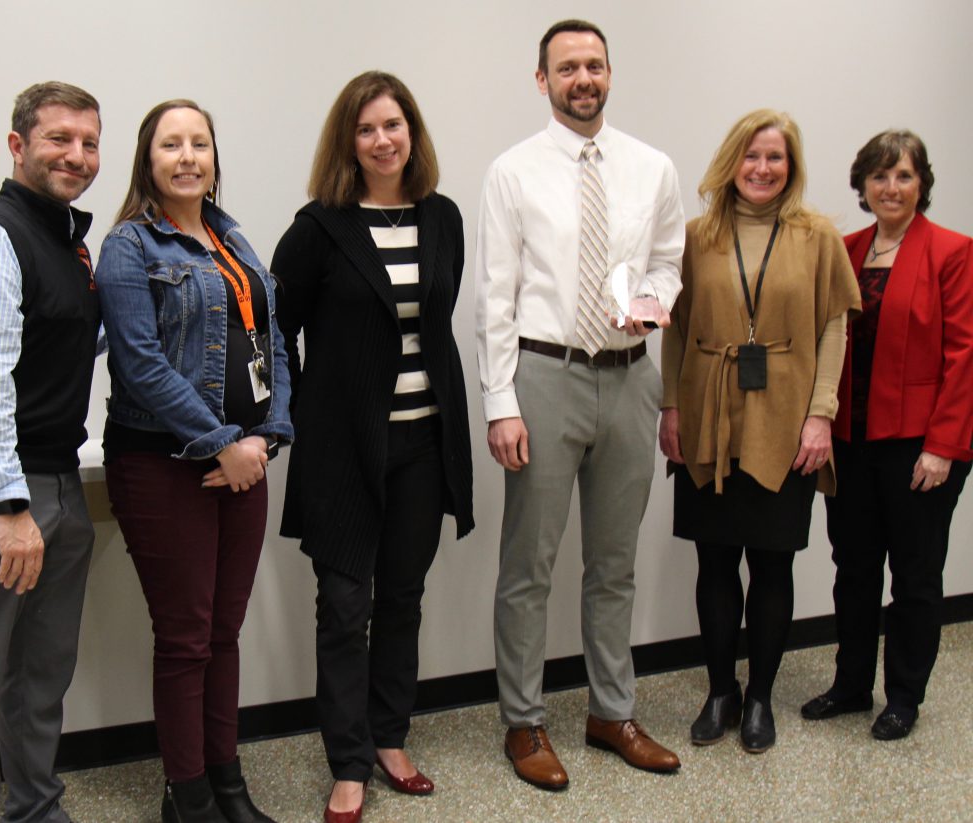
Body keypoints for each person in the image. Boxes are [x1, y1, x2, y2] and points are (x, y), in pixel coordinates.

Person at [475, 19, 684, 790]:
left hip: (632, 375)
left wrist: (653, 302)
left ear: (609, 73)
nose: (583, 78)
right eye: (568, 68)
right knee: (529, 563)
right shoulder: (513, 172)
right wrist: (501, 402)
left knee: (615, 563)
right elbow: (496, 295)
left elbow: (667, 261)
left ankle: (610, 710)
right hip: (544, 376)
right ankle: (524, 721)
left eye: (594, 65)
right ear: (543, 81)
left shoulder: (651, 167)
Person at [270, 71, 473, 823]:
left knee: (403, 598)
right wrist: (300, 405)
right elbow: (273, 326)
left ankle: (390, 738)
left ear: (411, 132)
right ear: (348, 143)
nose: (383, 140)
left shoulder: (442, 217)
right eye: (367, 129)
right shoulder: (319, 227)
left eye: (394, 125)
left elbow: (438, 323)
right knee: (342, 606)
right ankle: (348, 762)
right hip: (344, 451)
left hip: (425, 441)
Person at [95, 100, 292, 823]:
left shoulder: (232, 239)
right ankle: (189, 795)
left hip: (245, 460)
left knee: (223, 635)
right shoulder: (129, 246)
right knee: (185, 638)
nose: (187, 157)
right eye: (170, 144)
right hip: (164, 464)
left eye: (199, 144)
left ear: (214, 156)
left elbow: (271, 341)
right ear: (148, 159)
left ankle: (228, 782)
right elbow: (140, 365)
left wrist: (268, 436)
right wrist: (223, 442)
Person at [659, 109, 861, 753]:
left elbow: (834, 326)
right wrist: (671, 406)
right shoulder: (696, 235)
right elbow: (675, 325)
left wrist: (820, 414)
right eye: (751, 156)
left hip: (784, 420)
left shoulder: (816, 235)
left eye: (775, 158)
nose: (762, 169)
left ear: (791, 166)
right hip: (708, 416)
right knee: (715, 562)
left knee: (772, 564)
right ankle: (720, 691)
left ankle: (759, 699)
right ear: (731, 162)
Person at [0, 81, 102, 823]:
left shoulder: (66, 245)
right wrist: (7, 502)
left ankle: (36, 807)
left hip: (62, 485)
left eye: (90, 142)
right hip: (0, 497)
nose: (77, 155)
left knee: (42, 675)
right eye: (59, 139)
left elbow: (59, 345)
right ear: (18, 146)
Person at [800, 130, 973, 740]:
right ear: (862, 185)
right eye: (878, 176)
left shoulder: (953, 252)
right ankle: (851, 686)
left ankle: (903, 695)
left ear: (921, 183)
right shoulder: (845, 251)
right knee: (854, 567)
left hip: (919, 444)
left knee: (916, 573)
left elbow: (965, 356)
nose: (890, 187)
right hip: (851, 437)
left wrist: (944, 447)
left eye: (902, 175)